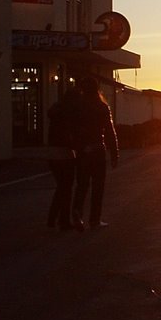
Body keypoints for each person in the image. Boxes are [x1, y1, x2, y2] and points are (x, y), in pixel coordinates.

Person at [71, 74, 119, 229]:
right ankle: (94, 219)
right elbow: (110, 131)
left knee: (82, 184)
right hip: (98, 148)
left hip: (82, 150)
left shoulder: (77, 106)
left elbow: (71, 129)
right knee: (98, 186)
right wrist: (114, 154)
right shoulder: (102, 107)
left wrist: (76, 146)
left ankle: (77, 212)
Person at [46, 85, 79, 230]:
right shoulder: (69, 113)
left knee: (62, 187)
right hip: (65, 153)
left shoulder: (56, 110)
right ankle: (62, 220)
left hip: (52, 152)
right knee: (66, 188)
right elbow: (69, 135)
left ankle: (53, 218)